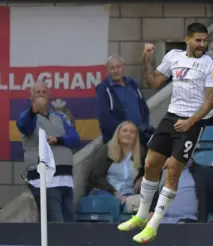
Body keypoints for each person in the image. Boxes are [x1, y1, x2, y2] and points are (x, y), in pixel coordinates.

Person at [117, 22, 213, 243]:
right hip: (171, 116)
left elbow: (211, 99)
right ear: (188, 39)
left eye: (205, 40)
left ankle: (154, 225)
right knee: (150, 164)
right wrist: (146, 60)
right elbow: (154, 81)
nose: (202, 44)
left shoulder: (212, 64)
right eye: (198, 40)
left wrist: (190, 122)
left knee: (173, 170)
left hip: (194, 121)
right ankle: (141, 216)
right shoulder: (174, 56)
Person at [18, 81, 81, 223]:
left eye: (44, 92)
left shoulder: (58, 118)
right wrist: (33, 109)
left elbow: (75, 139)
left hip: (65, 179)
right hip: (46, 181)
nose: (41, 95)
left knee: (71, 220)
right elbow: (23, 124)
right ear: (31, 96)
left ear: (49, 96)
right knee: (56, 222)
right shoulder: (29, 118)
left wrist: (58, 140)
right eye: (37, 92)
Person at [148, 159, 213, 223]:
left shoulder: (204, 173)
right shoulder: (160, 174)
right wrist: (150, 211)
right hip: (160, 223)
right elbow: (151, 196)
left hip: (188, 224)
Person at [88, 121, 145, 213]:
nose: (128, 134)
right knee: (114, 203)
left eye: (132, 132)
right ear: (118, 133)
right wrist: (114, 192)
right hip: (106, 192)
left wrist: (142, 178)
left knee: (142, 203)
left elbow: (150, 171)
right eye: (125, 131)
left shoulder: (140, 153)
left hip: (128, 194)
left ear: (136, 136)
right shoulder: (106, 150)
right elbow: (96, 177)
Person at [96, 56, 152, 144]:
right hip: (118, 141)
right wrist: (125, 132)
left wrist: (144, 126)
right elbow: (104, 117)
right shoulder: (103, 89)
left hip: (140, 137)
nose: (116, 70)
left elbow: (144, 109)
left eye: (118, 67)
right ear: (107, 71)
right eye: (112, 68)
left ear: (123, 67)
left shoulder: (132, 84)